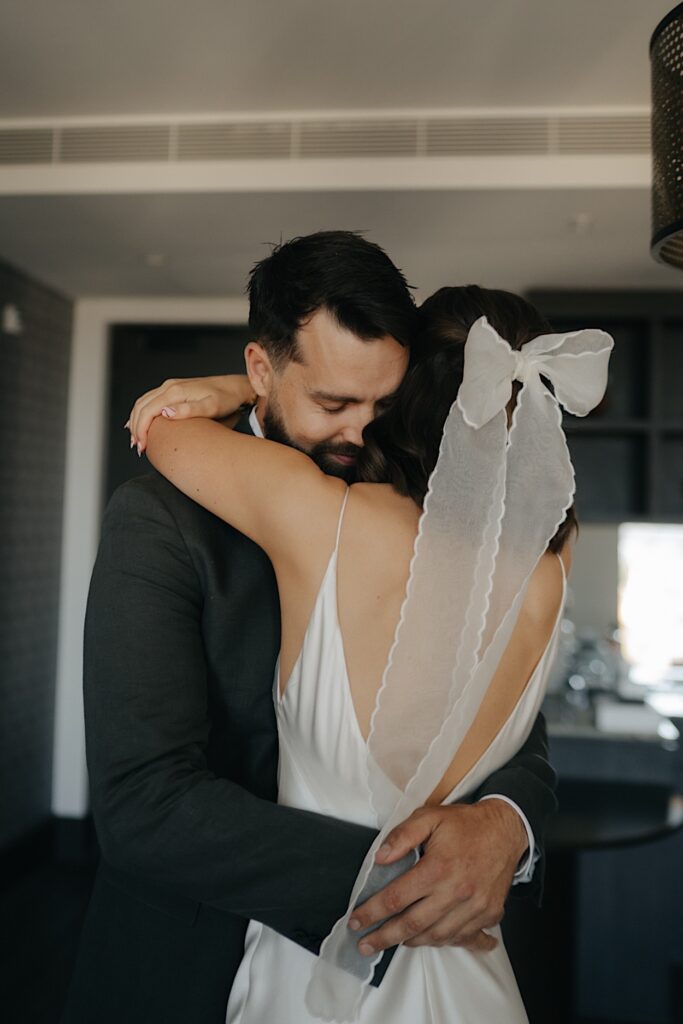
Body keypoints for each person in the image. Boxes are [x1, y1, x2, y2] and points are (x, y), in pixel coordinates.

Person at [63, 234, 558, 1024]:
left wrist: (507, 824)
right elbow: (142, 804)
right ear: (263, 369)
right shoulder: (157, 519)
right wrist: (401, 881)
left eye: (383, 405)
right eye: (332, 403)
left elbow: (504, 722)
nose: (361, 435)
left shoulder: (419, 499)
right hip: (199, 964)